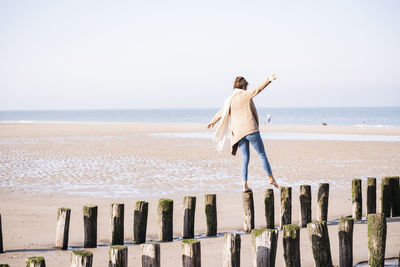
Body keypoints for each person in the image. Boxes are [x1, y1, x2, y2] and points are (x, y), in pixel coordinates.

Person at [207, 75, 279, 192]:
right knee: (262, 154)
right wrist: (269, 80)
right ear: (244, 86)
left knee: (245, 159)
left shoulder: (230, 100)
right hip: (250, 130)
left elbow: (222, 112)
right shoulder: (245, 94)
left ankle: (244, 185)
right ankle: (270, 178)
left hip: (238, 134)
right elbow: (258, 89)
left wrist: (212, 122)